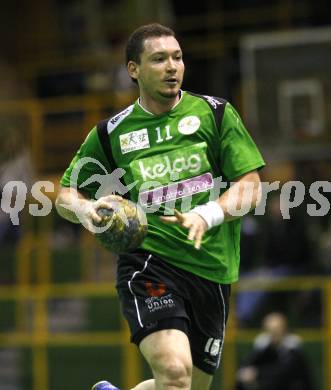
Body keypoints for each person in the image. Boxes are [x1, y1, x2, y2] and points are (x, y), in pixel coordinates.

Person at [55, 23, 265, 390]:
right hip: (150, 264)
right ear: (133, 69)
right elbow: (63, 195)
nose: (172, 67)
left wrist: (207, 213)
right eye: (159, 59)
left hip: (212, 270)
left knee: (188, 386)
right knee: (174, 372)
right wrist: (86, 212)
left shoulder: (214, 114)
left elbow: (251, 187)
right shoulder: (111, 133)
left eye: (177, 57)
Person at [236, 312, 314, 390]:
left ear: (285, 330)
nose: (273, 334)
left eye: (277, 330)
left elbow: (283, 374)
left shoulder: (293, 351)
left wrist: (257, 374)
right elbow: (246, 368)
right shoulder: (262, 349)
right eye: (270, 330)